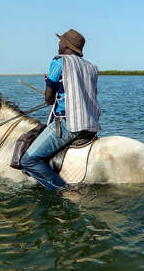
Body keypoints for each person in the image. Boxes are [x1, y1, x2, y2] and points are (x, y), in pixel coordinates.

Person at [21, 29, 101, 190]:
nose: (58, 44)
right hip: (91, 124)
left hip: (68, 123)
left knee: (28, 161)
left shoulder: (59, 61)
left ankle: (61, 189)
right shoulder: (91, 67)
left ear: (66, 45)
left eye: (60, 41)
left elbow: (49, 99)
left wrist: (50, 85)